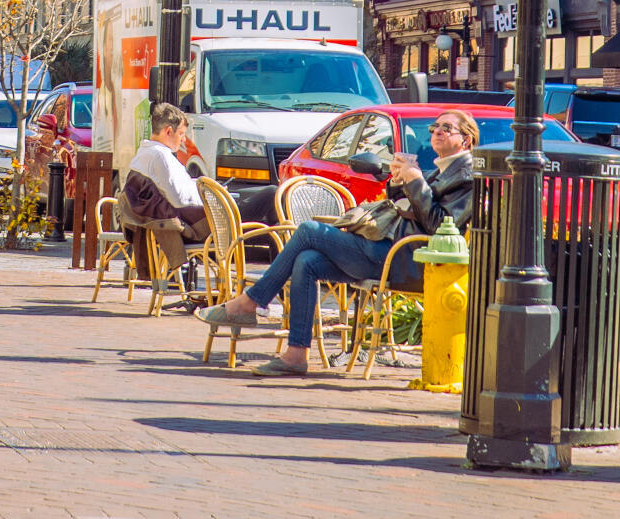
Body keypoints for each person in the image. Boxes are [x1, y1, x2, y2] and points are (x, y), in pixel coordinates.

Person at [201, 109, 482, 376]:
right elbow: (406, 208)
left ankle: (249, 303)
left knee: (310, 230)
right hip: (389, 248)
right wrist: (399, 181)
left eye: (447, 128)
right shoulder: (439, 171)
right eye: (435, 127)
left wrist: (415, 181)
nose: (437, 132)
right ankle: (297, 355)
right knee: (306, 261)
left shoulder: (467, 177)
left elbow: (441, 225)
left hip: (409, 259)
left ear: (465, 140)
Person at [122, 105, 211, 284]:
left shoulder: (146, 152)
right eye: (181, 134)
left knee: (265, 198)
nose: (184, 140)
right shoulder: (160, 156)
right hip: (194, 223)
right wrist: (206, 193)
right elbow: (179, 199)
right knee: (268, 196)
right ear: (168, 131)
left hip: (178, 219)